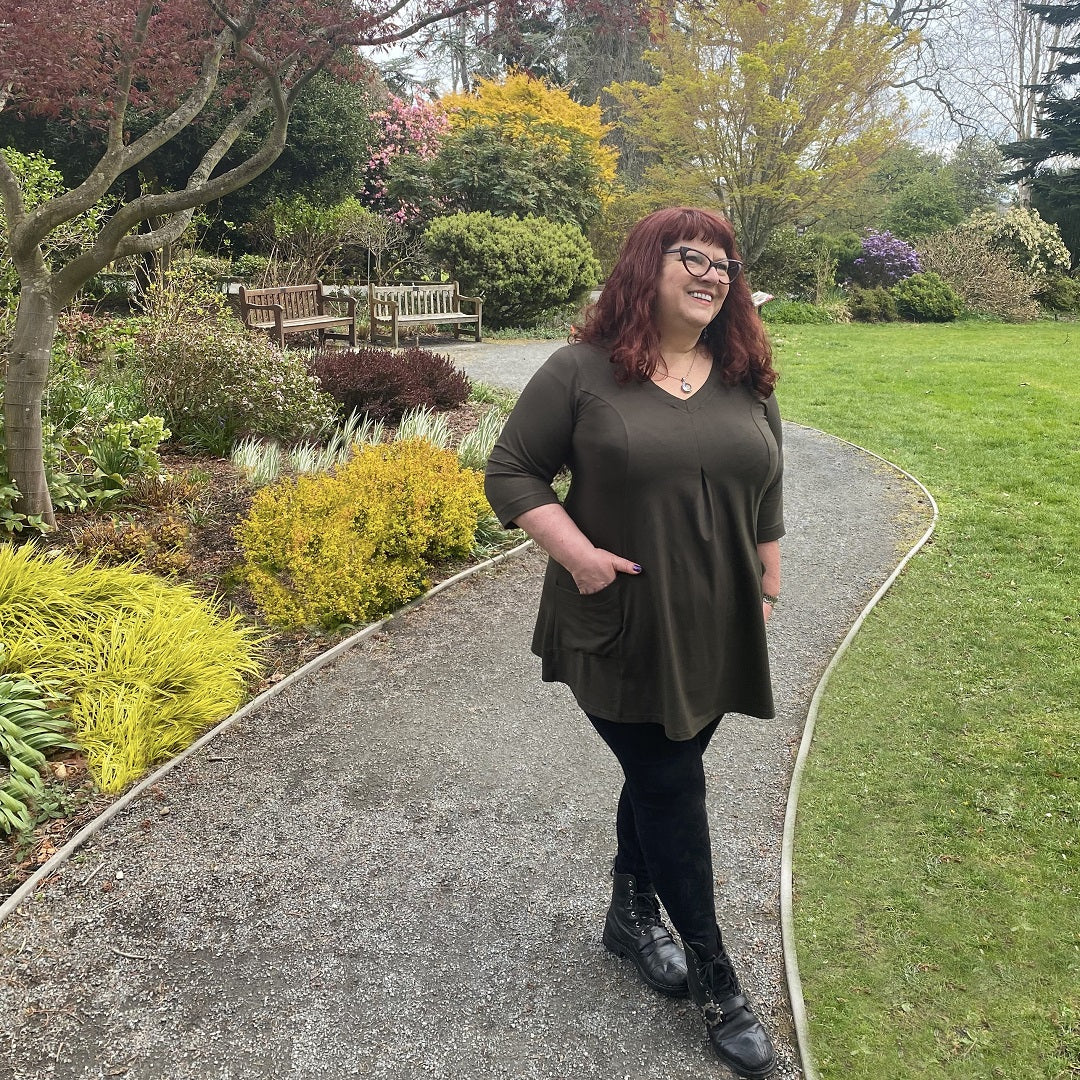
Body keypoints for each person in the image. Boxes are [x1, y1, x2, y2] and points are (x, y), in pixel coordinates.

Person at [484, 207, 783, 1078]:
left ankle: (628, 915)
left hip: (719, 623)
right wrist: (577, 559)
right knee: (670, 777)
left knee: (660, 772)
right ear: (646, 267)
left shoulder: (744, 376)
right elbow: (511, 468)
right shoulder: (583, 372)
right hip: (616, 622)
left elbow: (769, 481)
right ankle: (721, 985)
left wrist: (768, 578)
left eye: (724, 263)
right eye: (693, 256)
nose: (712, 274)